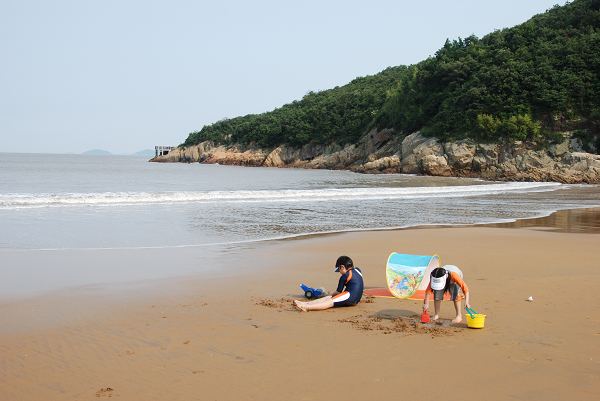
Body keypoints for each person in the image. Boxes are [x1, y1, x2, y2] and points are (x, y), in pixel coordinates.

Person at [293, 256, 364, 312]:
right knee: (330, 298)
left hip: (350, 297)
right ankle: (305, 303)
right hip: (357, 299)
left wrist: (330, 295)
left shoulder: (344, 276)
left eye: (339, 270)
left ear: (342, 267)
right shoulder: (358, 270)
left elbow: (338, 292)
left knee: (329, 301)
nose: (339, 272)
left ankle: (307, 307)